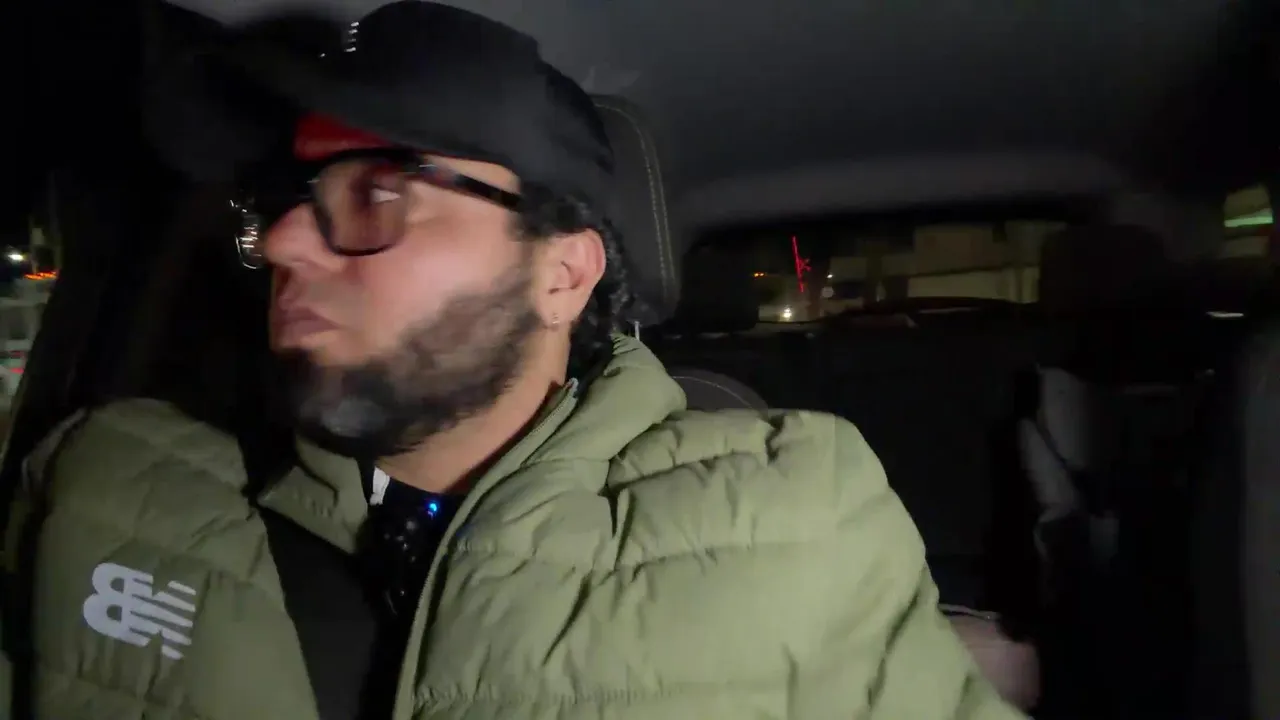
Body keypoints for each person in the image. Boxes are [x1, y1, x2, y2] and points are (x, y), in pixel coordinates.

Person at [0, 2, 1027, 718]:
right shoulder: (104, 488)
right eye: (283, 202)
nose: (282, 243)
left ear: (562, 274)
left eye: (378, 193)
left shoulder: (793, 514)